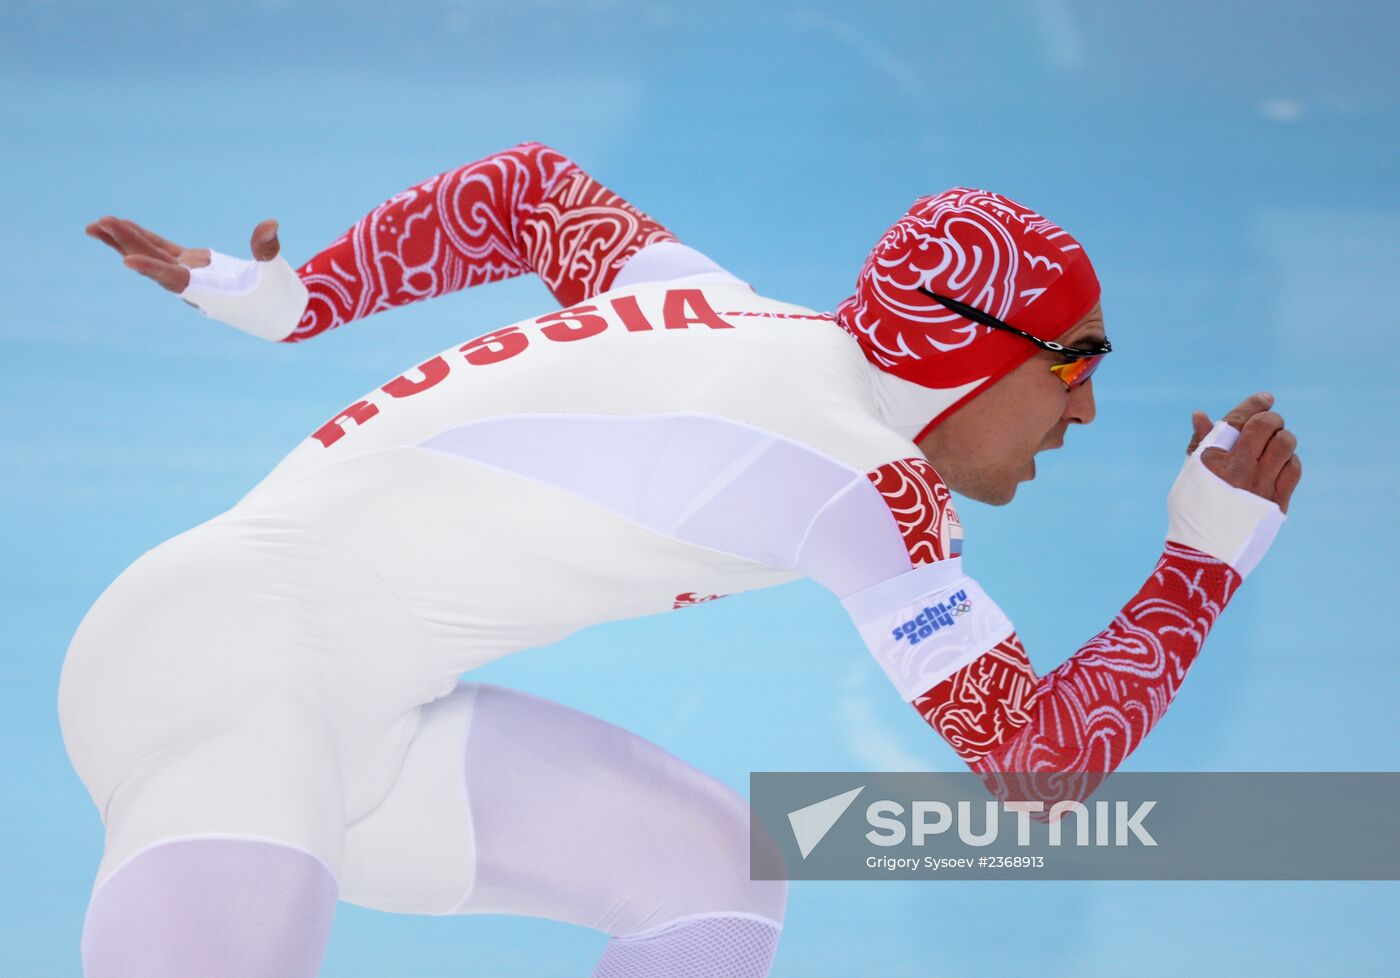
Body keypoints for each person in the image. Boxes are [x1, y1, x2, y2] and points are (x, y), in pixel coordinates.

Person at [63, 142, 1300, 977]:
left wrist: (302, 301)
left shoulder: (704, 298)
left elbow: (524, 193)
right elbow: (1034, 770)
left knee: (704, 864)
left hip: (367, 733)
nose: (1082, 413)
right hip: (217, 673)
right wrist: (1202, 558)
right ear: (962, 352)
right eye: (1071, 362)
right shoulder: (866, 481)